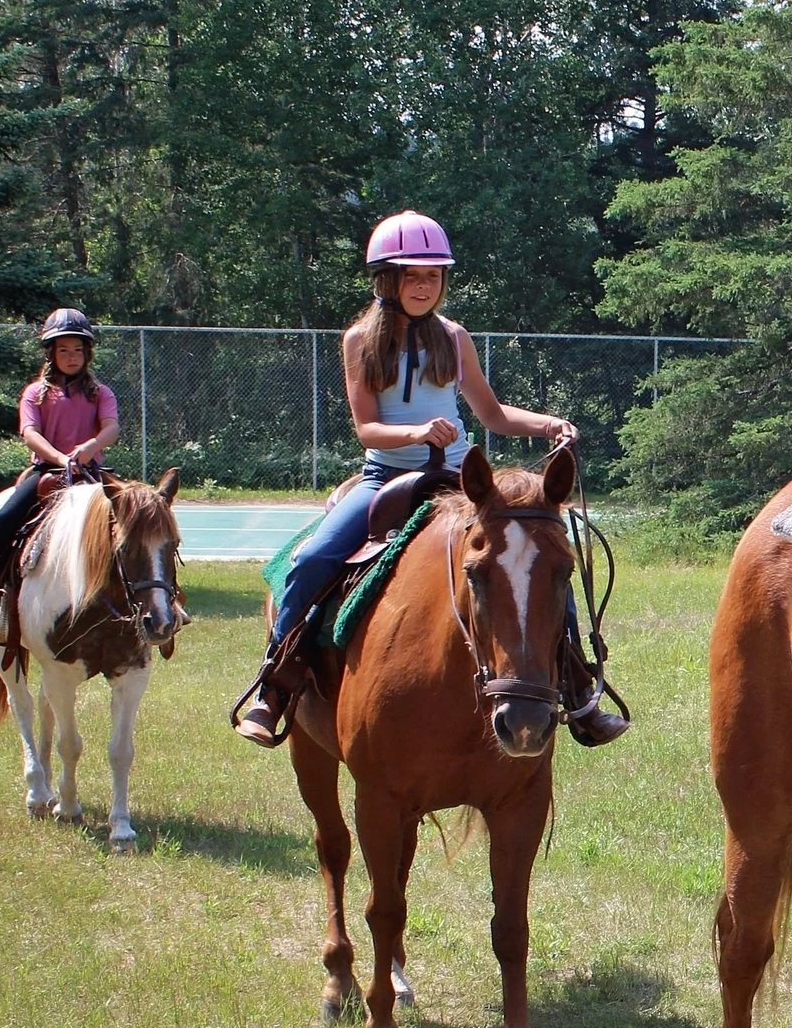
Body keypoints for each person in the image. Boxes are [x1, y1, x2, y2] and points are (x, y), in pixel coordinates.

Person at [233, 209, 577, 746]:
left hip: (459, 483)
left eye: (434, 275)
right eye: (412, 275)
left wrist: (549, 423)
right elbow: (368, 429)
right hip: (386, 478)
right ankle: (276, 684)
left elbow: (490, 414)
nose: (424, 286)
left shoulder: (454, 337)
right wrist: (418, 432)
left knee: (542, 559)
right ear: (386, 281)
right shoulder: (360, 341)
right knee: (311, 559)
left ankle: (576, 682)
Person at [0, 308, 121, 629]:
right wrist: (62, 459)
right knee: (7, 518)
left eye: (78, 350)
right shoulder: (35, 393)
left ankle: (159, 598)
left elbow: (111, 429)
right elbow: (30, 434)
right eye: (64, 350)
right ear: (52, 354)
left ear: (87, 354)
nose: (71, 357)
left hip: (89, 474)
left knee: (136, 520)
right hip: (46, 472)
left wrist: (89, 448)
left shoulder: (101, 393)